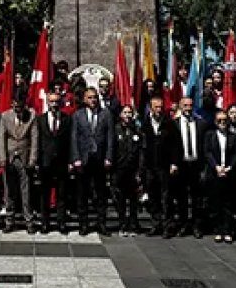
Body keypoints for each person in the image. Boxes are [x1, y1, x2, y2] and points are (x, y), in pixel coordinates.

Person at [70, 87, 114, 236]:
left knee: (101, 194)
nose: (93, 100)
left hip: (100, 159)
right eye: (89, 97)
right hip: (83, 159)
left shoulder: (106, 114)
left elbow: (110, 138)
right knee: (82, 194)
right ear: (84, 99)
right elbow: (74, 138)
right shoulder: (77, 115)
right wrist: (75, 158)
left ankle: (101, 223)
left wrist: (109, 157)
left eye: (94, 97)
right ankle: (84, 224)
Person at [0, 96, 39, 233]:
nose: (18, 110)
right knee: (9, 190)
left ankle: (29, 221)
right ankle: (9, 220)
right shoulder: (5, 116)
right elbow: (1, 138)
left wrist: (32, 159)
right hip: (9, 158)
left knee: (26, 190)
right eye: (15, 106)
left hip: (24, 158)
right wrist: (2, 158)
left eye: (20, 107)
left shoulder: (31, 116)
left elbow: (34, 138)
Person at [171, 97, 208, 238]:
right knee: (181, 198)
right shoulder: (174, 124)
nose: (188, 108)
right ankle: (183, 224)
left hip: (196, 165)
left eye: (190, 105)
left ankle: (197, 226)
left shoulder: (201, 124)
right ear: (180, 107)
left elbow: (205, 146)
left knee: (197, 198)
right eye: (185, 105)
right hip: (181, 165)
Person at [36, 90, 71, 234]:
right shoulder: (40, 119)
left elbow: (70, 141)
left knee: (62, 194)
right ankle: (45, 223)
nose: (54, 104)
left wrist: (71, 160)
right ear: (47, 103)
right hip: (45, 162)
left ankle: (61, 223)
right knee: (44, 194)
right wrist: (37, 161)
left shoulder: (67, 119)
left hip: (62, 162)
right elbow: (37, 141)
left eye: (57, 101)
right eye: (52, 101)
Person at [140, 94, 175, 236]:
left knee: (166, 198)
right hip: (150, 167)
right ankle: (156, 224)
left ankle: (167, 226)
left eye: (161, 107)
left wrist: (174, 163)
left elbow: (176, 145)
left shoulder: (169, 123)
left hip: (165, 166)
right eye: (156, 107)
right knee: (153, 197)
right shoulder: (145, 123)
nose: (159, 110)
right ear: (151, 108)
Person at [205, 111, 236, 243]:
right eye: (220, 120)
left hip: (228, 174)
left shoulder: (233, 137)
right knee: (216, 204)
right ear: (215, 122)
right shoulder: (210, 136)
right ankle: (218, 230)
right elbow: (207, 152)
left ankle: (227, 230)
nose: (222, 123)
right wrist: (216, 167)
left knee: (228, 204)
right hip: (215, 174)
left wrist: (229, 168)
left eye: (225, 120)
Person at [110, 104, 143, 236]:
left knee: (134, 199)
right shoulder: (116, 129)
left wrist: (140, 171)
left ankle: (134, 225)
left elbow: (141, 151)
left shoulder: (137, 130)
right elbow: (112, 149)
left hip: (133, 170)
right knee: (121, 199)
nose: (127, 115)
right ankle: (123, 224)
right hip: (120, 169)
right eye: (125, 112)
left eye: (130, 112)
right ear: (120, 115)